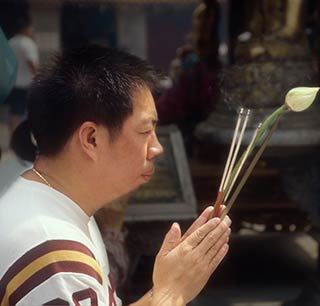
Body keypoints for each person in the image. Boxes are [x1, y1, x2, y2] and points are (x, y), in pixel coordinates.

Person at [0, 45, 231, 306]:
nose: (157, 148)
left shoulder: (60, 208)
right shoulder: (54, 253)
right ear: (92, 138)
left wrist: (169, 284)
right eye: (145, 131)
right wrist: (171, 293)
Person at [5, 15, 39, 134]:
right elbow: (31, 63)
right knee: (31, 112)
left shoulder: (10, 42)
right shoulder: (28, 43)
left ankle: (14, 139)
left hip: (13, 83)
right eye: (30, 28)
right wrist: (39, 77)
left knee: (14, 113)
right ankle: (27, 139)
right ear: (25, 29)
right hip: (27, 83)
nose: (32, 30)